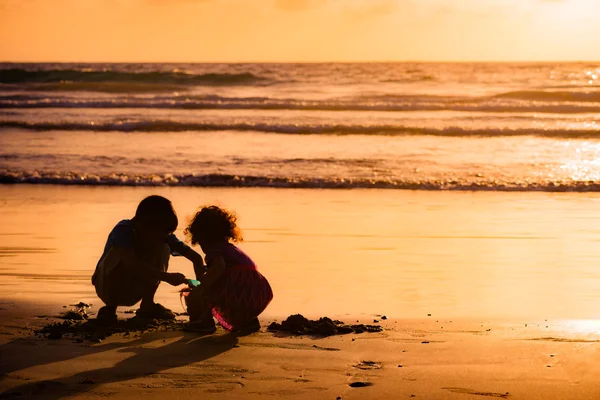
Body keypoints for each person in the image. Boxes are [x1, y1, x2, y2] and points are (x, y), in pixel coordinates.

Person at [92, 195, 204, 322]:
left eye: (166, 233)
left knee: (163, 247)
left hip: (135, 287)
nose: (164, 235)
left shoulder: (163, 236)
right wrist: (166, 277)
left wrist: (202, 288)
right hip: (107, 287)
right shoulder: (123, 230)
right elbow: (131, 264)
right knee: (119, 253)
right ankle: (110, 309)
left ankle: (147, 304)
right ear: (143, 224)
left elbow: (196, 258)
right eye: (161, 231)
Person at [184, 206, 273, 333]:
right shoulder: (231, 250)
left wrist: (202, 287)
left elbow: (219, 267)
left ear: (203, 237)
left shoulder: (214, 250)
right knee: (217, 285)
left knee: (207, 288)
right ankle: (249, 321)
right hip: (260, 293)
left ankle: (206, 322)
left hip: (240, 290)